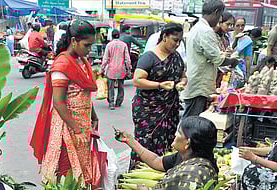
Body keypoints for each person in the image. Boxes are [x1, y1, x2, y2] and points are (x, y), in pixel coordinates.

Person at [30, 20, 101, 188]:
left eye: (91, 45)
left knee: (82, 164)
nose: (89, 49)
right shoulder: (62, 65)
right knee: (66, 170)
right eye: (86, 45)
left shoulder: (82, 60)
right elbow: (59, 103)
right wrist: (76, 129)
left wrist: (93, 115)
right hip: (67, 126)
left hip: (82, 122)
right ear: (74, 41)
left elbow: (84, 93)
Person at [115, 116, 219, 190]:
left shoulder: (194, 173)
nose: (175, 134)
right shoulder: (185, 156)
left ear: (187, 143)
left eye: (179, 132)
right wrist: (129, 140)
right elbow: (156, 161)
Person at [131, 23, 187, 161]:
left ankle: (162, 171)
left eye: (180, 40)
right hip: (149, 110)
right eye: (175, 39)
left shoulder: (176, 57)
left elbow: (183, 76)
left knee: (168, 141)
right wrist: (159, 85)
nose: (178, 44)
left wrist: (182, 83)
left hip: (170, 109)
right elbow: (137, 80)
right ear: (165, 37)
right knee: (146, 142)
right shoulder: (149, 57)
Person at [182, 0, 238, 119]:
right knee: (191, 123)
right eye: (220, 16)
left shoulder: (198, 27)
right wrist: (232, 61)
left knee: (191, 121)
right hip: (199, 86)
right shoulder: (205, 31)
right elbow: (218, 59)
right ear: (216, 12)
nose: (219, 20)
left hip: (197, 83)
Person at [100, 29, 131, 110]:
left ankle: (111, 103)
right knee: (121, 87)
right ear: (119, 35)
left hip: (111, 70)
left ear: (112, 36)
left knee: (111, 87)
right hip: (121, 69)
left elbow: (105, 59)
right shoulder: (123, 45)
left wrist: (102, 69)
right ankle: (118, 102)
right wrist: (129, 69)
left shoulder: (109, 45)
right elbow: (127, 59)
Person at [231, 16, 253, 81]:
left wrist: (247, 75)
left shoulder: (247, 40)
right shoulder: (227, 36)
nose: (240, 28)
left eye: (242, 25)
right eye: (237, 25)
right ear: (233, 26)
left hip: (239, 69)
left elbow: (248, 58)